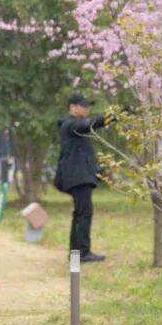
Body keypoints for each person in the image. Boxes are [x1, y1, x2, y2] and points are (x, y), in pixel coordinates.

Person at [55, 93, 109, 263]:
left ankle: (75, 254)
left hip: (78, 176)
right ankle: (83, 254)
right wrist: (113, 117)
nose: (87, 109)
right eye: (83, 106)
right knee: (84, 214)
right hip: (78, 178)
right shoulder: (71, 124)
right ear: (72, 107)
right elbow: (90, 124)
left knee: (79, 215)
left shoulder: (72, 125)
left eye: (88, 106)